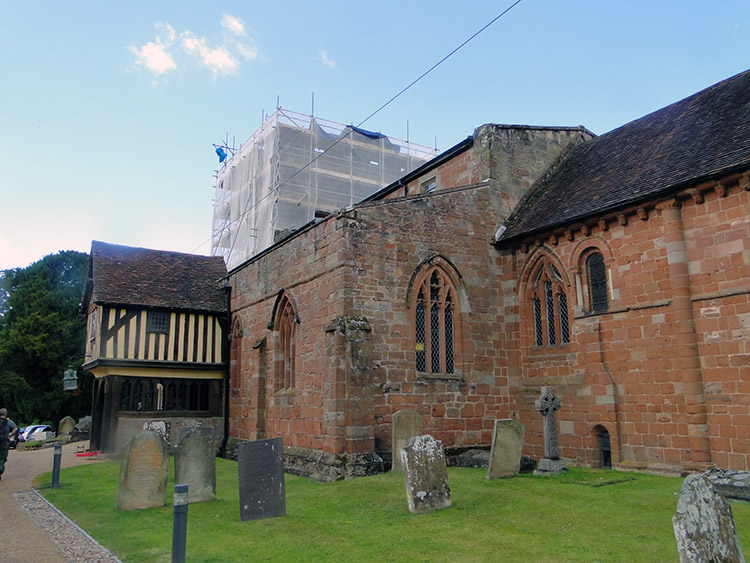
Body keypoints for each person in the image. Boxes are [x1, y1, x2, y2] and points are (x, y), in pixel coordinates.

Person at [0, 408, 18, 481]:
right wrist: (10, 436)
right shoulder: (8, 422)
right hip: (4, 442)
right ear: (6, 414)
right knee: (2, 457)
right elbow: (15, 428)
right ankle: (0, 469)